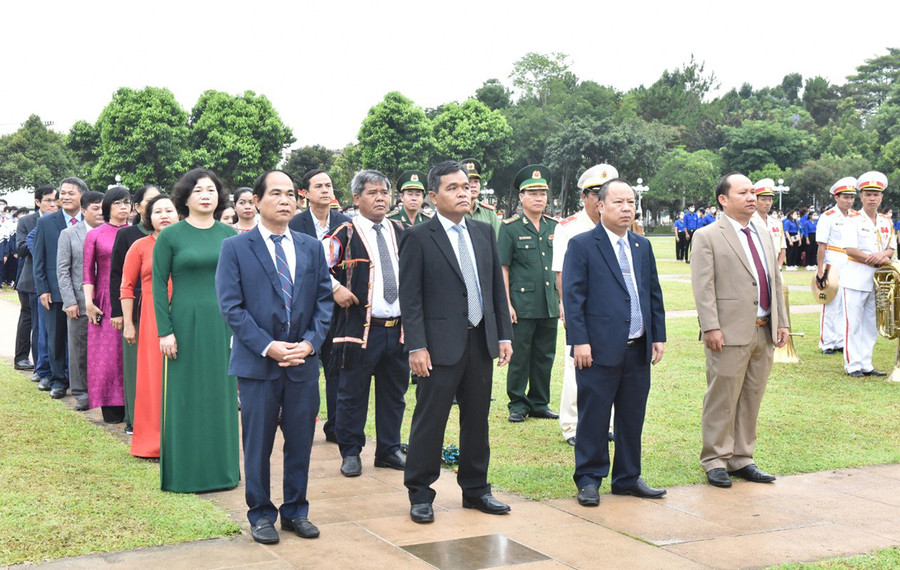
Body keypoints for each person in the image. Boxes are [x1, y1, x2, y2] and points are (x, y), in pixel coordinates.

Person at [216, 170, 332, 545]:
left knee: (300, 442)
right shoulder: (235, 247)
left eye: (289, 195)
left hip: (302, 363)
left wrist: (310, 343)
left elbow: (324, 301)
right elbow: (232, 308)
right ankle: (261, 513)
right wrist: (269, 346)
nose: (285, 201)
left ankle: (296, 510)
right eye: (276, 194)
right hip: (258, 364)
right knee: (258, 444)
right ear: (258, 201)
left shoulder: (311, 247)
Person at [399, 160, 514, 524]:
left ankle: (476, 489)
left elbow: (496, 288)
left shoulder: (482, 232)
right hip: (437, 348)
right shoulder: (418, 237)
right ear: (433, 196)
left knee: (477, 419)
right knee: (430, 420)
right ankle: (420, 492)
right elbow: (411, 298)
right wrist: (416, 346)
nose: (463, 192)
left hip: (480, 342)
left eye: (466, 186)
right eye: (453, 188)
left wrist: (503, 336)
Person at [562, 178, 667, 507]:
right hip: (597, 349)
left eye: (631, 202)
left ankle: (627, 476)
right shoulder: (582, 245)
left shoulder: (641, 246)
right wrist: (579, 342)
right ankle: (589, 479)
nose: (627, 208)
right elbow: (573, 297)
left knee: (632, 416)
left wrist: (657, 336)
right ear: (600, 206)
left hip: (637, 347)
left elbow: (652, 294)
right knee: (593, 417)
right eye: (619, 202)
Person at [692, 172, 789, 488]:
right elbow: (703, 287)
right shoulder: (708, 236)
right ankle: (715, 459)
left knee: (751, 396)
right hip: (727, 333)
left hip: (763, 330)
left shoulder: (762, 232)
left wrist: (782, 322)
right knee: (722, 396)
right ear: (723, 199)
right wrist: (711, 327)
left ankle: (742, 457)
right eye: (744, 192)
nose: (752, 197)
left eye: (753, 192)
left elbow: (774, 280)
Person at [152, 168, 239, 493]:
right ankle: (185, 473)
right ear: (185, 197)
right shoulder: (170, 236)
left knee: (221, 395)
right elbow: (159, 286)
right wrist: (165, 331)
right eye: (199, 190)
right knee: (185, 397)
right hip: (184, 324)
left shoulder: (229, 234)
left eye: (212, 190)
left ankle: (223, 471)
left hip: (223, 324)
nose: (206, 195)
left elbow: (238, 283)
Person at [323, 170, 409, 477]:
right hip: (359, 329)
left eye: (385, 192)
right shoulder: (343, 233)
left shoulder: (400, 230)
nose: (381, 198)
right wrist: (335, 289)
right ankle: (350, 451)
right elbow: (317, 267)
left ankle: (388, 449)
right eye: (373, 193)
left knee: (394, 393)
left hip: (396, 328)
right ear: (357, 198)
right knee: (352, 393)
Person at [555, 164, 618, 446]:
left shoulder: (619, 226)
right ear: (585, 197)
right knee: (575, 366)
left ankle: (605, 423)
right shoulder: (568, 228)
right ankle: (572, 426)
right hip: (581, 309)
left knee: (612, 366)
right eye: (596, 193)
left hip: (613, 312)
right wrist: (568, 310)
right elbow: (561, 275)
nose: (601, 199)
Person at [289, 169, 351, 443]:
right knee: (307, 370)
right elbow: (298, 265)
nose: (326, 190)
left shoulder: (346, 223)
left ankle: (336, 426)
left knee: (338, 370)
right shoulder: (294, 224)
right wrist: (333, 287)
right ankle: (301, 424)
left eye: (329, 185)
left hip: (340, 311)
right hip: (306, 306)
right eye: (319, 186)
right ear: (305, 193)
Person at [498, 164, 559, 423]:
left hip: (548, 303)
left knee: (545, 354)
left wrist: (562, 301)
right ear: (521, 197)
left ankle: (539, 401)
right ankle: (517, 403)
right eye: (532, 193)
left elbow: (559, 269)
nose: (539, 198)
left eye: (542, 193)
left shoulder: (554, 226)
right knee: (520, 355)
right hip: (522, 303)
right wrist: (507, 304)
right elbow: (503, 268)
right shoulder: (510, 227)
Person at [121, 194, 175, 458]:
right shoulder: (140, 246)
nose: (164, 215)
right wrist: (129, 323)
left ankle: (182, 437)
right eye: (158, 211)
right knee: (153, 379)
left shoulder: (187, 242)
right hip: (152, 317)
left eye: (169, 210)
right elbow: (126, 287)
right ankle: (153, 442)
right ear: (148, 217)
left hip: (187, 313)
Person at [109, 185, 161, 433]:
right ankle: (134, 418)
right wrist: (118, 313)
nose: (157, 209)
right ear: (138, 207)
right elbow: (117, 275)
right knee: (135, 367)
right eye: (150, 203)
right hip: (137, 308)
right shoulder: (128, 235)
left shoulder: (174, 236)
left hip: (167, 309)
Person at [33, 177, 86, 399]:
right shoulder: (47, 222)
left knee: (82, 339)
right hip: (54, 291)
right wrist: (42, 289)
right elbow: (39, 259)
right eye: (62, 193)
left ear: (82, 195)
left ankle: (83, 381)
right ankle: (58, 380)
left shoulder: (91, 220)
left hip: (83, 292)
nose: (64, 197)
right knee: (56, 337)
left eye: (70, 193)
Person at [82, 187, 131, 423]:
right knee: (107, 355)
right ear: (108, 207)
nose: (124, 207)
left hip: (133, 297)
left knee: (129, 352)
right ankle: (111, 407)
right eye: (119, 203)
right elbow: (87, 272)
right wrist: (88, 302)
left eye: (127, 203)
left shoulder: (136, 233)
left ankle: (133, 403)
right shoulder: (95, 234)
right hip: (104, 299)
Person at [841, 171, 893, 377]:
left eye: (876, 194)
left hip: (878, 281)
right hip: (855, 278)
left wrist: (883, 255)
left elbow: (891, 248)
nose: (872, 198)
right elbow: (850, 249)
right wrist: (874, 258)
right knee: (853, 324)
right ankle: (852, 364)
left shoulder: (886, 221)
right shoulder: (852, 220)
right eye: (868, 194)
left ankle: (866, 363)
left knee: (872, 324)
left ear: (881, 197)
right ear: (860, 196)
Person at [56, 191, 105, 412]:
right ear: (83, 211)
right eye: (95, 208)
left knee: (103, 350)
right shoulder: (68, 234)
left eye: (103, 207)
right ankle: (81, 393)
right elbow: (63, 270)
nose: (100, 212)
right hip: (78, 301)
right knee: (78, 349)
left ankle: (102, 392)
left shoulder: (113, 232)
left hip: (106, 299)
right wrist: (70, 301)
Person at [15, 185, 57, 376]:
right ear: (38, 202)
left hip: (53, 278)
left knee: (44, 323)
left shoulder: (60, 219)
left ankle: (42, 363)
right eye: (48, 200)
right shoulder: (27, 221)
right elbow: (21, 248)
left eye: (54, 200)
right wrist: (41, 248)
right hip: (30, 278)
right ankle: (22, 358)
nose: (52, 204)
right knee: (29, 319)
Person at [816, 178, 857, 355]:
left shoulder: (856, 217)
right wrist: (820, 269)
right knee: (831, 301)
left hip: (851, 261)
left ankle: (840, 340)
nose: (848, 201)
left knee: (846, 302)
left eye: (851, 197)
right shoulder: (828, 217)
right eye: (845, 197)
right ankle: (827, 342)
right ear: (836, 197)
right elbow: (821, 245)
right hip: (833, 260)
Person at [752, 179, 787, 269]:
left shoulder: (777, 223)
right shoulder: (749, 222)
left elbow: (782, 248)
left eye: (770, 199)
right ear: (755, 200)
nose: (767, 203)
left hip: (774, 267)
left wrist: (778, 268)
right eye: (763, 199)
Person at [461, 158, 501, 235]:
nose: (473, 185)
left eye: (476, 182)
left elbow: (498, 242)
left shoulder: (489, 213)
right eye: (469, 181)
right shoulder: (453, 212)